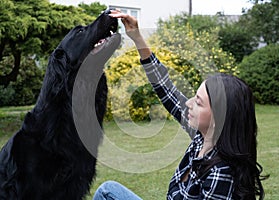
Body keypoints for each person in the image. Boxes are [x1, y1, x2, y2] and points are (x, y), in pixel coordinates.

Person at [93, 10, 267, 200]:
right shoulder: (204, 138)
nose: (189, 103)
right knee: (108, 191)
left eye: (198, 103)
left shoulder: (221, 173)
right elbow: (166, 88)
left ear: (218, 118)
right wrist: (136, 37)